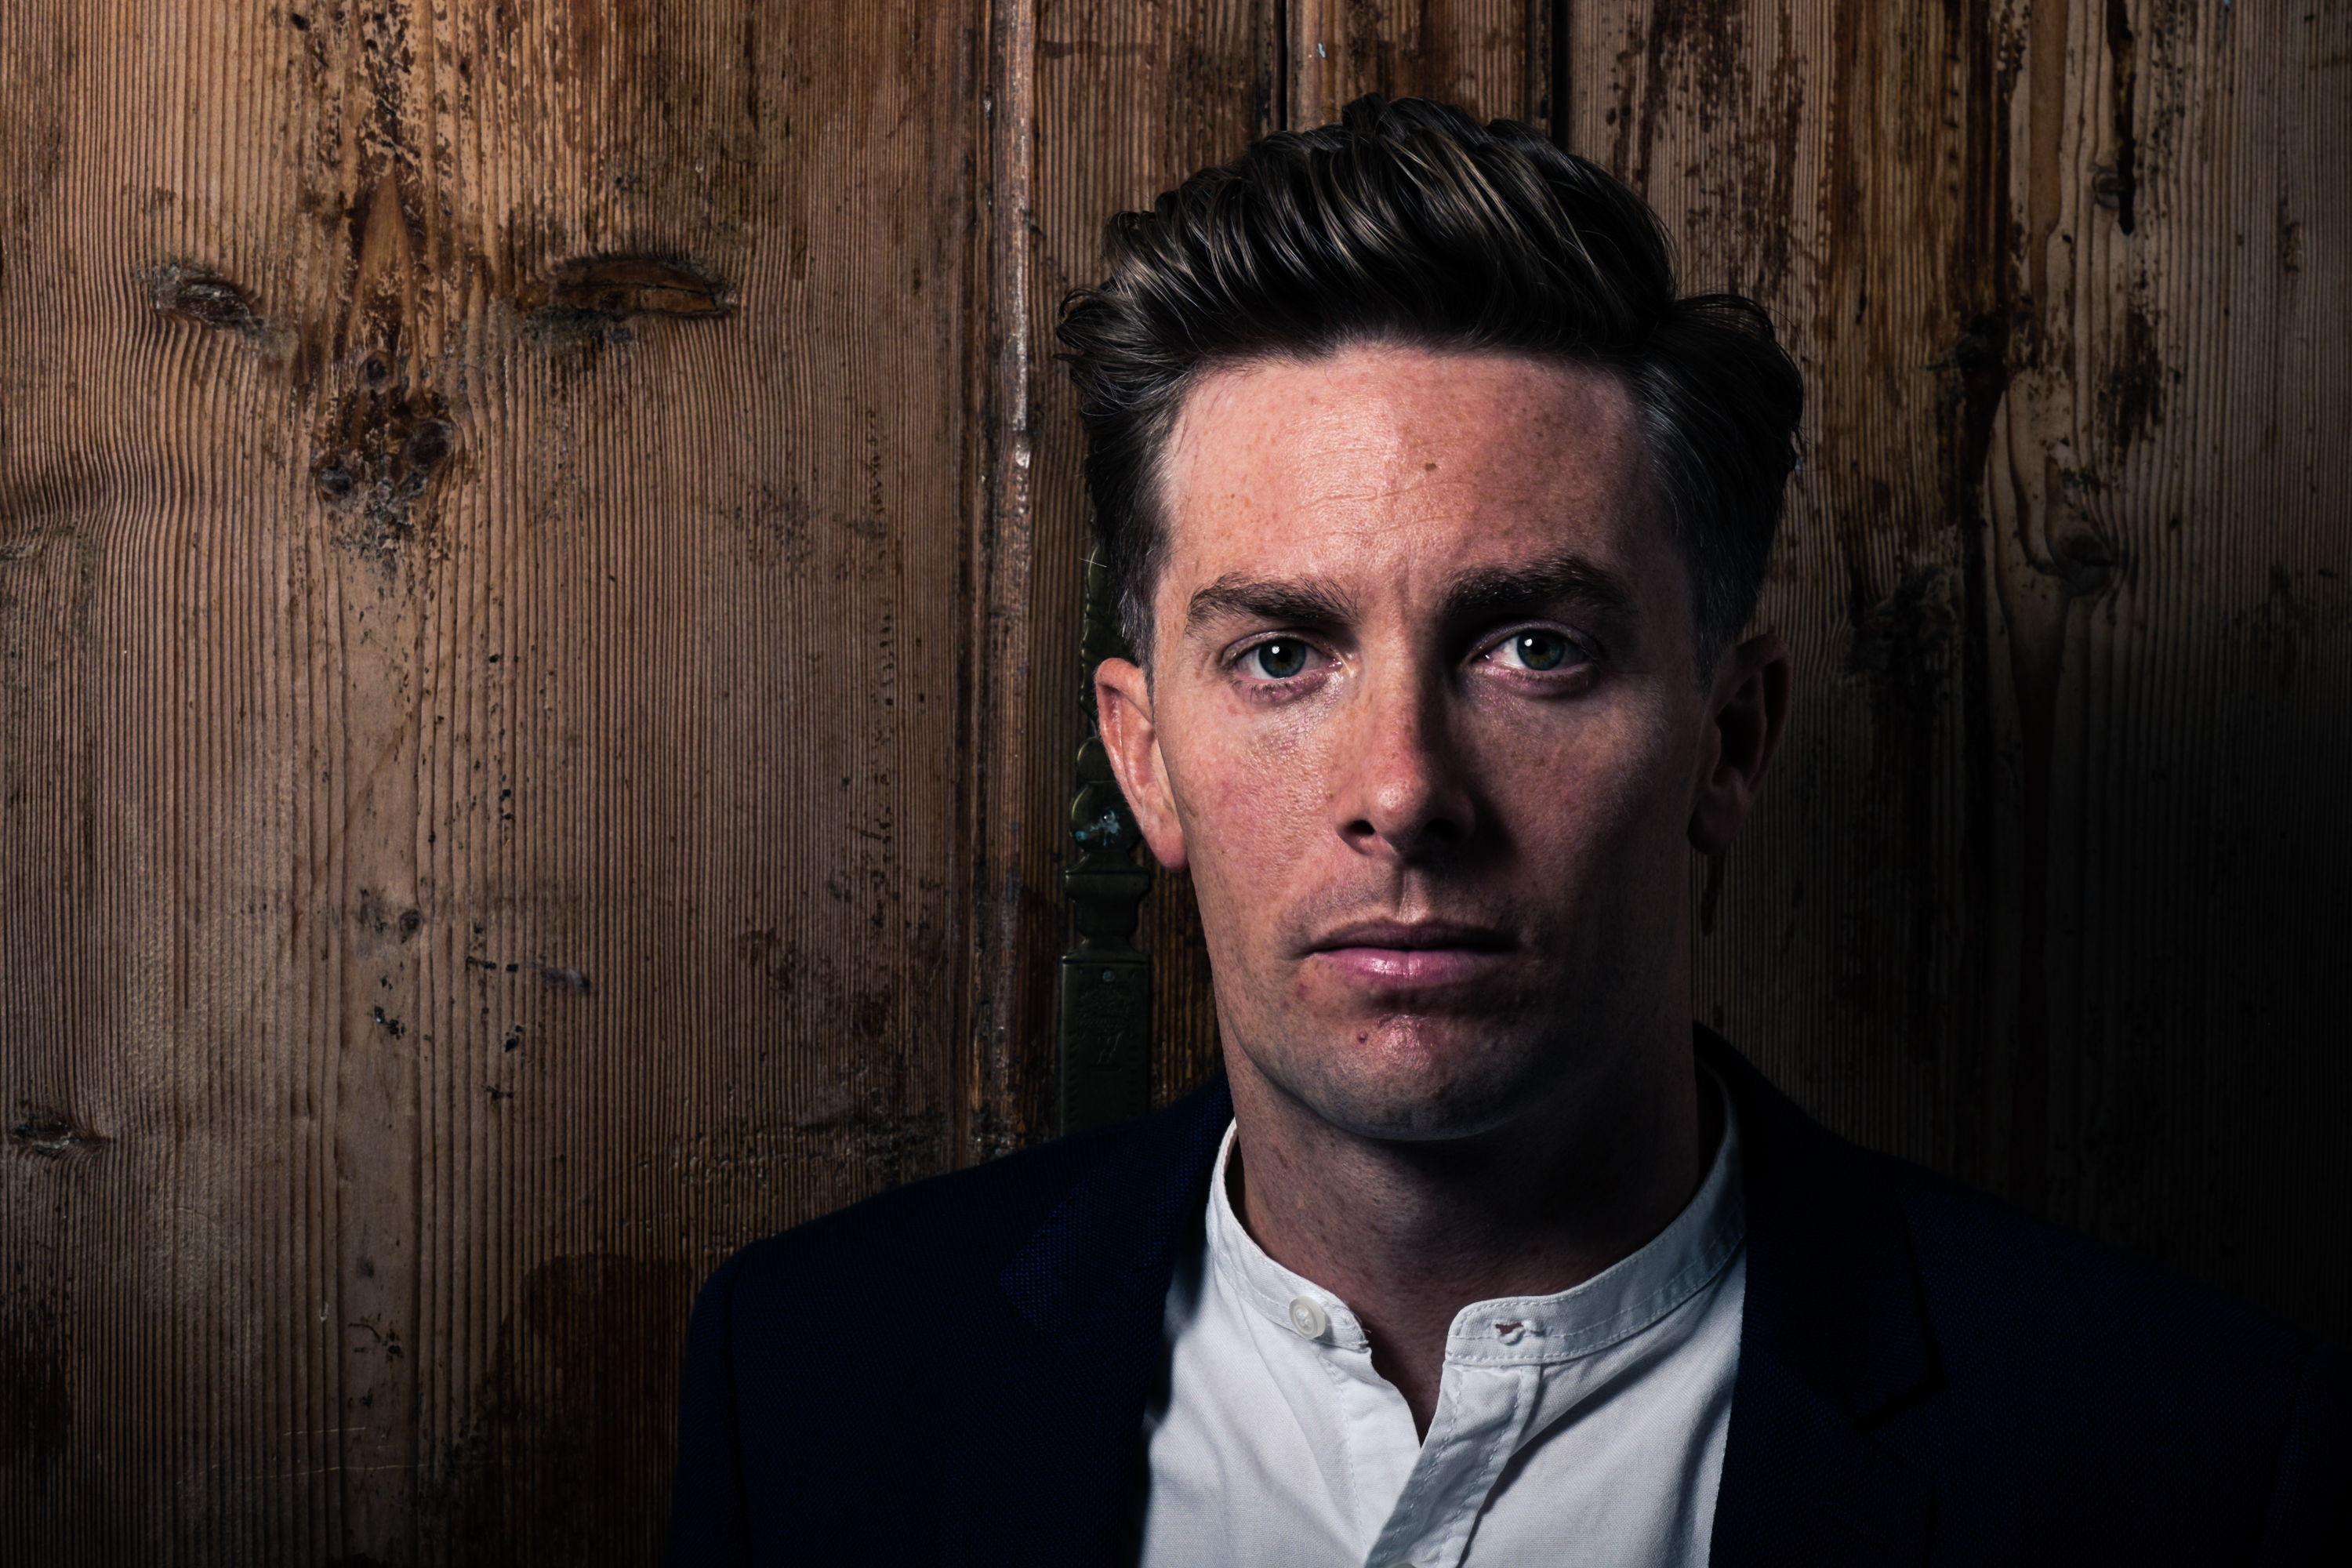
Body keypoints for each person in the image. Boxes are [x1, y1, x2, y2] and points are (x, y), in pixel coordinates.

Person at [667, 97, 2343, 1566]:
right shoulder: (815, 1388)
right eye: (1281, 655)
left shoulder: (2184, 1463)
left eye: (1533, 645)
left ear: (1729, 741)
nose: (1403, 787)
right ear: (1147, 758)